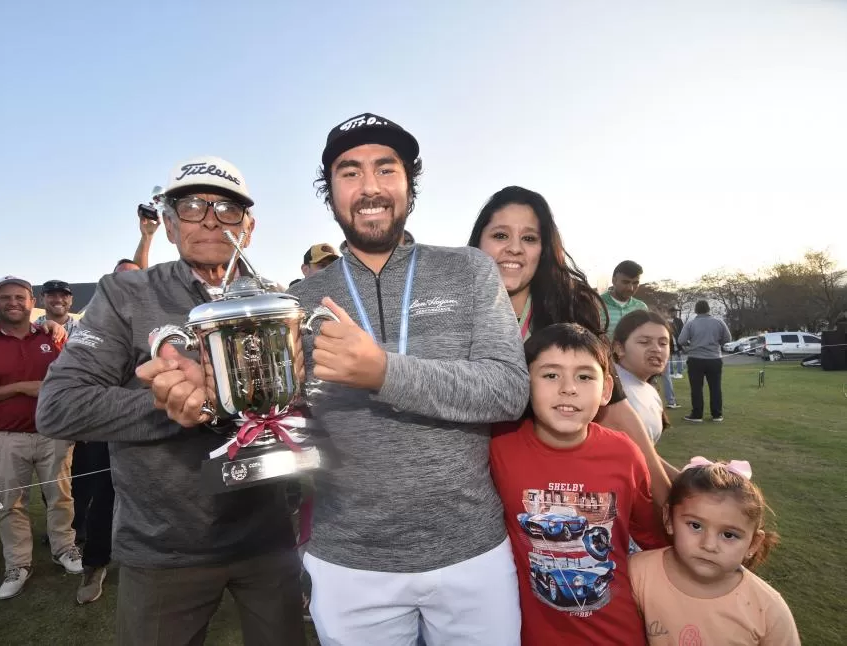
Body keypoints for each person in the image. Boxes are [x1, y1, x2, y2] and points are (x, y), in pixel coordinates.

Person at [36, 156, 306, 646]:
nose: (209, 217)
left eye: (227, 208)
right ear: (167, 221)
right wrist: (172, 406)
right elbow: (59, 406)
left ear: (249, 227)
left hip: (267, 536)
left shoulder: (274, 298)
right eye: (192, 205)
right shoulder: (126, 294)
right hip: (165, 548)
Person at [283, 113, 529, 645]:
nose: (369, 187)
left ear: (409, 187)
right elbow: (281, 419)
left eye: (386, 169)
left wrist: (383, 372)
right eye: (349, 173)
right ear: (330, 194)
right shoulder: (298, 302)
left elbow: (508, 389)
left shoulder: (467, 270)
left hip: (471, 553)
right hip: (349, 560)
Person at [468, 186, 674, 500]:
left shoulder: (570, 306)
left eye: (529, 238)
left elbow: (615, 409)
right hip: (470, 485)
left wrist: (668, 496)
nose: (514, 249)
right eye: (499, 236)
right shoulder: (450, 308)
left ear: (544, 248)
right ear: (478, 243)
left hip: (550, 484)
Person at [490, 323, 668, 645]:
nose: (568, 388)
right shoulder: (500, 448)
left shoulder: (624, 454)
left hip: (617, 633)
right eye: (550, 375)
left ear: (606, 390)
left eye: (585, 376)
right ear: (525, 383)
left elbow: (654, 538)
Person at [0, 276, 82, 600]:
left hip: (52, 432)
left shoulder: (52, 337)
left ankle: (64, 548)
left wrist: (59, 333)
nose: (13, 303)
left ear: (32, 303)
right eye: (5, 297)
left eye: (20, 297)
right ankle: (18, 564)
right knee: (12, 505)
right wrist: (20, 387)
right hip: (5, 436)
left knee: (60, 497)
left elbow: (73, 377)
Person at [630, 458, 799, 645]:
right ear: (669, 519)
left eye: (728, 535)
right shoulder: (637, 573)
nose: (709, 545)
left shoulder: (768, 610)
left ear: (753, 544)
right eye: (695, 525)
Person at [613, 310, 671, 444]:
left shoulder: (649, 389)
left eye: (663, 343)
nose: (656, 349)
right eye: (644, 342)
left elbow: (647, 454)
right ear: (619, 348)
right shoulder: (610, 391)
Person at [678, 300, 731, 423]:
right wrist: (716, 343)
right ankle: (717, 414)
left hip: (696, 359)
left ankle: (697, 414)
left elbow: (681, 340)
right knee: (715, 387)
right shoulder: (719, 322)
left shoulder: (691, 324)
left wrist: (690, 344)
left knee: (696, 388)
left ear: (696, 310)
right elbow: (728, 338)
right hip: (714, 358)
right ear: (708, 309)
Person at [600, 261, 649, 339]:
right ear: (614, 281)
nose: (631, 288)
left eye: (635, 283)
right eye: (626, 282)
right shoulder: (596, 304)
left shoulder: (641, 308)